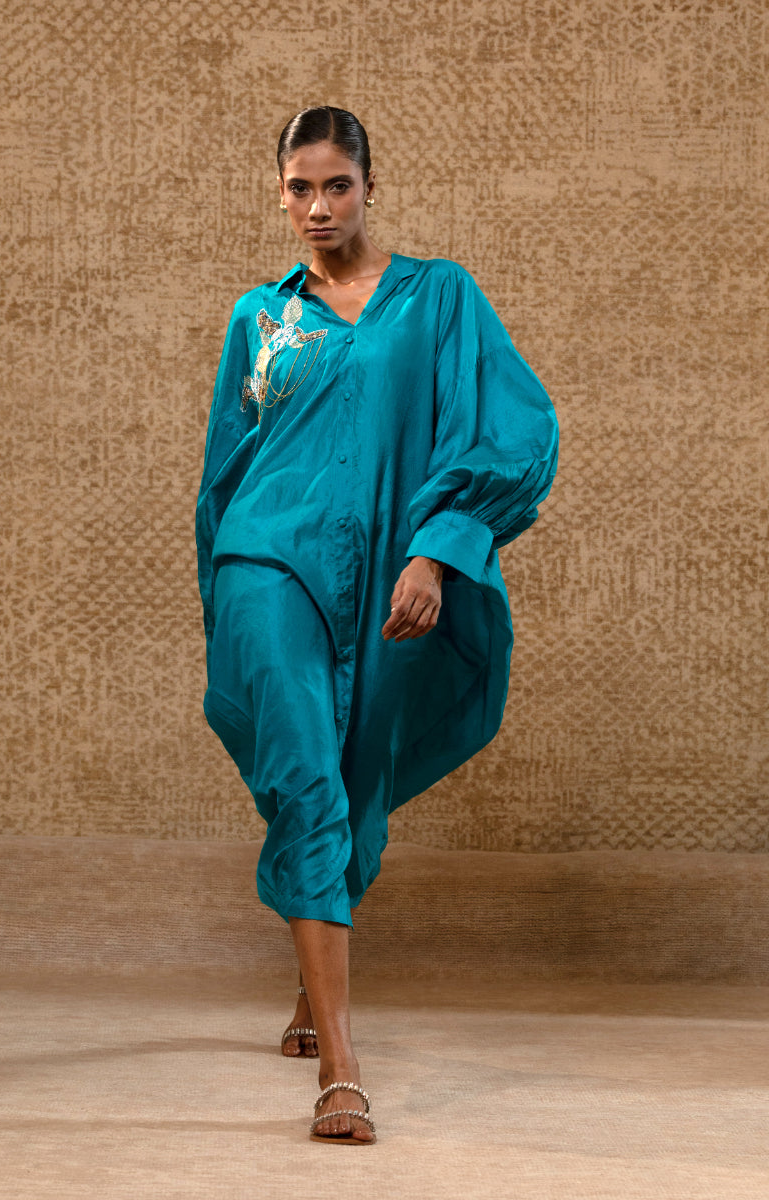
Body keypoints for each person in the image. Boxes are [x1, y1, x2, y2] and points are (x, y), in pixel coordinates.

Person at [195, 105, 559, 1145]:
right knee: (306, 769)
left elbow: (512, 430)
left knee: (355, 772)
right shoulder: (259, 319)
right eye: (299, 187)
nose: (318, 206)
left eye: (337, 186)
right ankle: (342, 1070)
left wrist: (438, 549)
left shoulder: (438, 299)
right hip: (269, 561)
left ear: (368, 187)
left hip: (392, 570)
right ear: (279, 192)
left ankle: (313, 992)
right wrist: (226, 598)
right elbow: (225, 467)